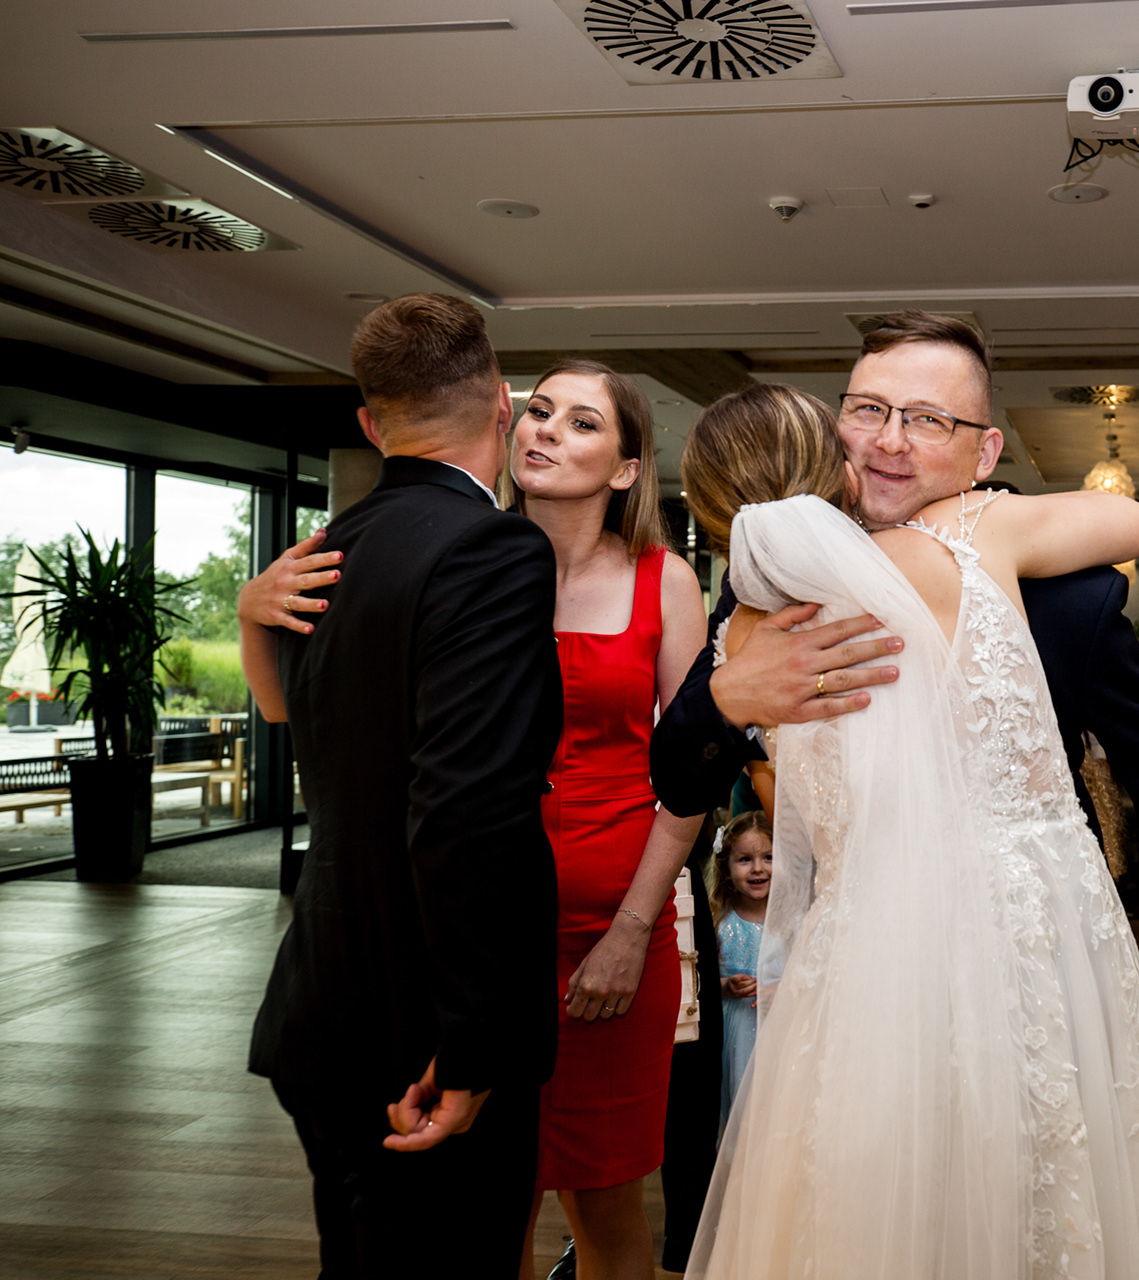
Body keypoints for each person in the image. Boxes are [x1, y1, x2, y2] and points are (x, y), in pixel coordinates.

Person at [651, 311, 1139, 1128]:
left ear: (984, 455)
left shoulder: (1058, 589)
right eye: (869, 410)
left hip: (1029, 981)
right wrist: (731, 697)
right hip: (858, 987)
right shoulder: (762, 592)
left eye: (928, 420)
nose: (889, 441)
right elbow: (676, 773)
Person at [676, 378, 1139, 1277]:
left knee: (863, 1201)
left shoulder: (742, 645)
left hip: (859, 953)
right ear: (837, 466)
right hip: (1026, 924)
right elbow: (1137, 522)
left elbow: (769, 795)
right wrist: (972, 503)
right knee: (1042, 1179)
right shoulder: (963, 542)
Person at [245, 356, 708, 1280]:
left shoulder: (666, 582)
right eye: (540, 410)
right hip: (472, 939)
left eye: (582, 423)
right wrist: (252, 613)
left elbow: (688, 774)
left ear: (626, 468)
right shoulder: (458, 556)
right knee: (492, 1209)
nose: (547, 430)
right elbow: (296, 710)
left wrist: (630, 931)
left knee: (609, 1207)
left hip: (614, 933)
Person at [242, 294, 564, 1277]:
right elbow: (467, 807)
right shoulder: (492, 547)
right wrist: (471, 1044)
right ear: (502, 402)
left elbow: (303, 725)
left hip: (322, 1002)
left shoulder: (324, 552)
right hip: (418, 1032)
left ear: (372, 423)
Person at [707, 811, 771, 1133]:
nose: (758, 868)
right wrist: (725, 986)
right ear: (726, 868)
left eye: (769, 857)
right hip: (734, 1034)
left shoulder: (792, 921)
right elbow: (701, 982)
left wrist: (782, 987)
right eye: (745, 859)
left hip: (779, 1030)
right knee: (741, 1113)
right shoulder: (719, 920)